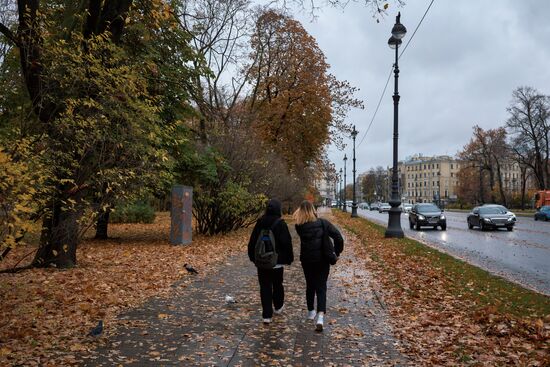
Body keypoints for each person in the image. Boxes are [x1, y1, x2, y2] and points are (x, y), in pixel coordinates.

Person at [294, 200, 343, 331]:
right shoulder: (323, 223)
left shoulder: (299, 226)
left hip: (307, 260)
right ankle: (320, 317)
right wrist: (337, 252)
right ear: (313, 210)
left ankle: (311, 312)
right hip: (322, 260)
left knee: (310, 285)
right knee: (321, 287)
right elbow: (338, 237)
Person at [248, 199, 294, 324]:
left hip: (262, 261)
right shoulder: (280, 223)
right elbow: (286, 243)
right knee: (278, 284)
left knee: (265, 287)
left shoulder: (260, 222)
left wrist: (252, 257)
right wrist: (289, 258)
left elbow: (253, 241)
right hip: (277, 262)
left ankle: (266, 315)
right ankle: (278, 306)